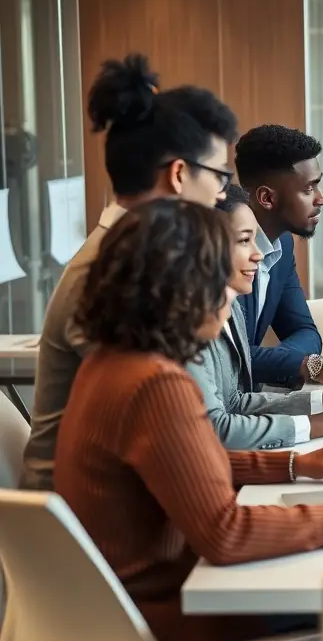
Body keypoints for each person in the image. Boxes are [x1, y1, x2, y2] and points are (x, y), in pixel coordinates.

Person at [54, 199, 323, 641]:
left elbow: (188, 462)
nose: (232, 294)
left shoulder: (113, 362)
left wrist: (293, 465)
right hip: (165, 629)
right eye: (216, 278)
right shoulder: (155, 383)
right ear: (181, 288)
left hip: (120, 616)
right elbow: (225, 534)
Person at [20, 53, 238, 491]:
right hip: (88, 521)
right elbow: (186, 419)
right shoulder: (112, 274)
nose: (222, 193)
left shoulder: (137, 260)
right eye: (220, 175)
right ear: (179, 175)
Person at [187, 185, 323, 449]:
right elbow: (216, 428)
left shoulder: (230, 303)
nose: (258, 254)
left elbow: (235, 402)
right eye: (244, 240)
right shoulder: (184, 325)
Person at [234, 124, 323, 389]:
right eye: (308, 189)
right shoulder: (222, 250)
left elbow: (306, 332)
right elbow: (226, 357)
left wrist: (286, 361)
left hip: (251, 399)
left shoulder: (282, 246)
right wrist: (304, 364)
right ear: (267, 198)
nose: (321, 199)